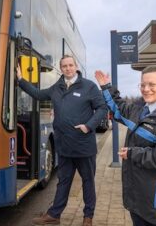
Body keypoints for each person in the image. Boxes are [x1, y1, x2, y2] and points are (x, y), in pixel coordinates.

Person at [94, 65, 156, 226]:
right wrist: (106, 87)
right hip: (139, 198)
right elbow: (118, 109)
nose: (146, 89)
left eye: (152, 84)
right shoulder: (141, 110)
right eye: (142, 85)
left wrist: (133, 154)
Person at [18, 55, 107, 226]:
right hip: (64, 145)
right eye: (64, 66)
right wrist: (21, 80)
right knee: (63, 181)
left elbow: (102, 108)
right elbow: (37, 94)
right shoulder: (56, 88)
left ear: (76, 66)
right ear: (61, 68)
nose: (68, 68)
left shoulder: (88, 86)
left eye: (71, 65)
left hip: (84, 146)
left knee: (88, 182)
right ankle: (54, 215)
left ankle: (88, 217)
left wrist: (88, 126)